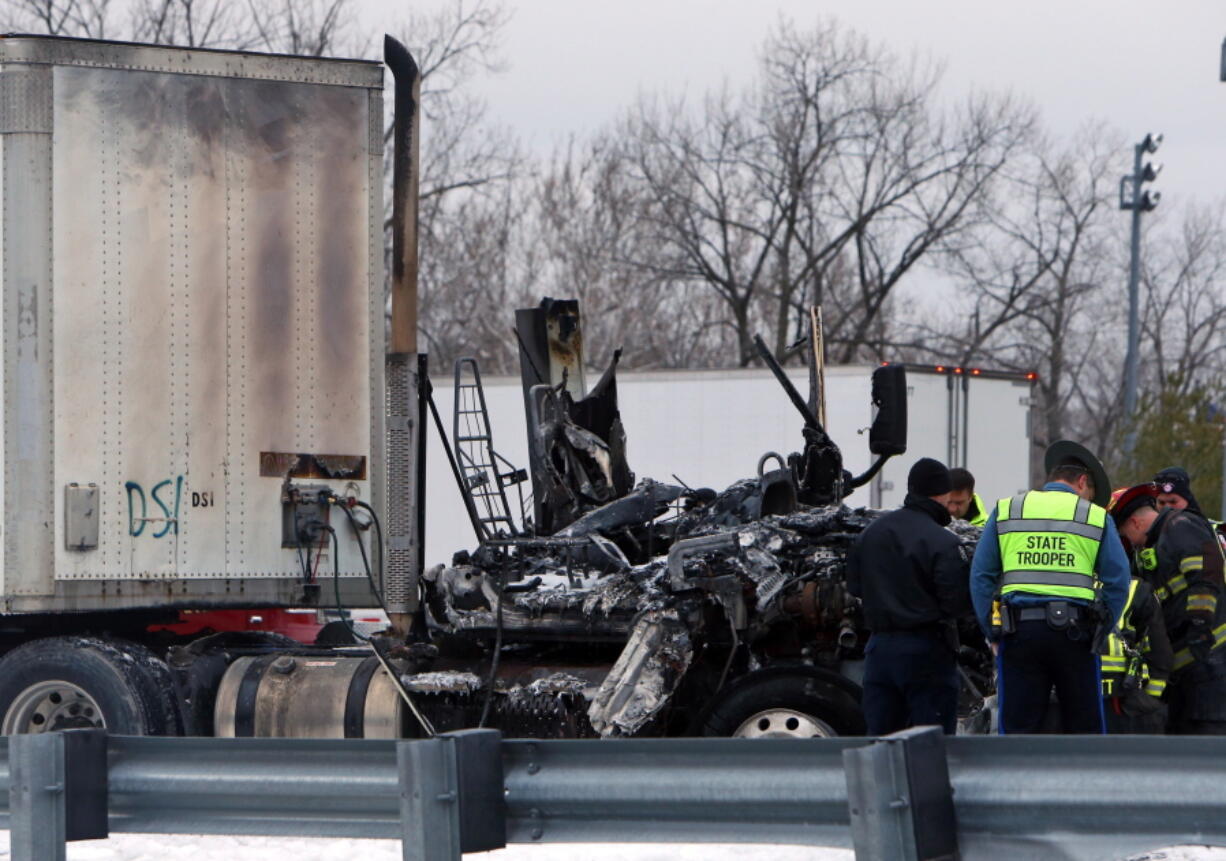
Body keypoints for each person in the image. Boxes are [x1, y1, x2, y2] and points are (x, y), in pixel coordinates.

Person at [970, 440, 1130, 734]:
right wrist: (1100, 630)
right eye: (1091, 493)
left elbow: (981, 575)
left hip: (1018, 634)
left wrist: (991, 630)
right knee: (1085, 732)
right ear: (1082, 482)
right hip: (1076, 636)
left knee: (1017, 731)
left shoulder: (1008, 509)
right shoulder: (1095, 517)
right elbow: (1118, 582)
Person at [847, 457, 973, 735]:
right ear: (942, 493)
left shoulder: (870, 534)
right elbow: (956, 603)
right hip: (927, 653)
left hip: (879, 651)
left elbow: (854, 588)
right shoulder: (944, 542)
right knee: (931, 742)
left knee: (881, 740)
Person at [1112, 482, 1226, 734]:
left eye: (1123, 533)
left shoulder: (1179, 526)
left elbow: (1206, 575)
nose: (1127, 542)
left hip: (1212, 660)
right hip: (1189, 668)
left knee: (1209, 738)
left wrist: (1199, 624)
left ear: (1135, 523)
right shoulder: (1154, 546)